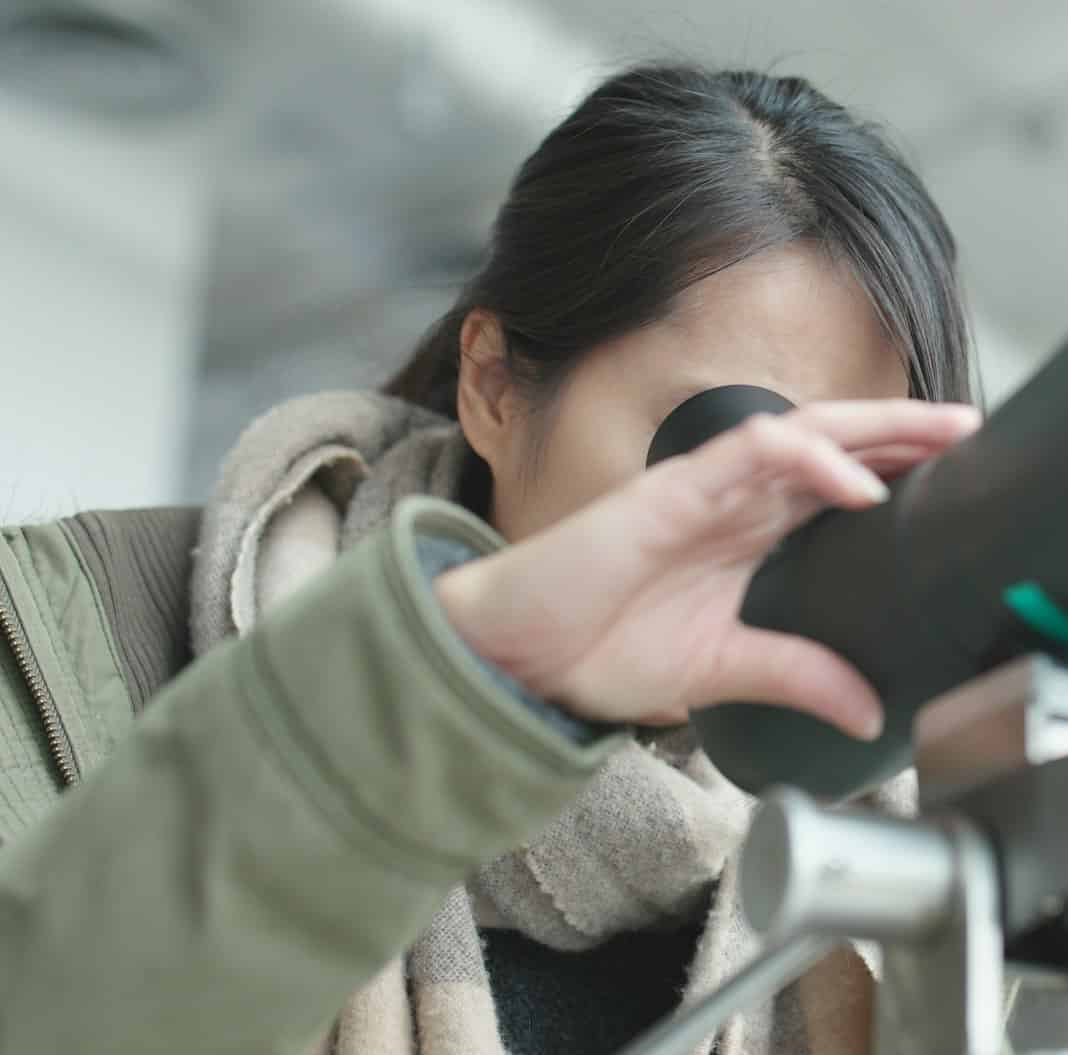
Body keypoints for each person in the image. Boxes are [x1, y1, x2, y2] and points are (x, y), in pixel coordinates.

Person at [0, 65, 983, 1055]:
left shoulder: (896, 883)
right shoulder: (61, 642)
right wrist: (462, 685)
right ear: (495, 388)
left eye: (848, 488)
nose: (766, 531)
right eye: (721, 446)